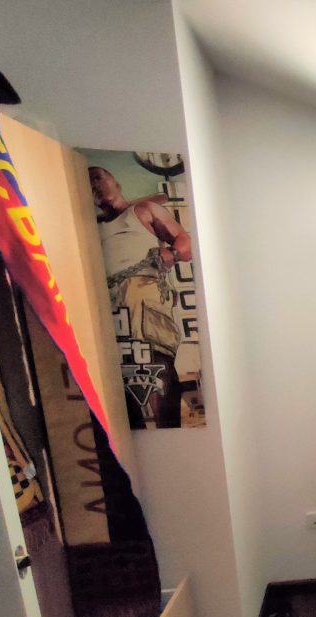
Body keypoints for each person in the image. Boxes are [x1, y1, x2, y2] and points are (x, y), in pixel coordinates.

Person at [88, 166, 193, 428]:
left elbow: (186, 242)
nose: (95, 185)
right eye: (88, 183)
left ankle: (170, 433)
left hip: (143, 291)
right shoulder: (89, 227)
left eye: (99, 177)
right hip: (105, 300)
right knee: (116, 374)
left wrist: (173, 253)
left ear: (116, 182)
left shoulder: (144, 210)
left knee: (156, 361)